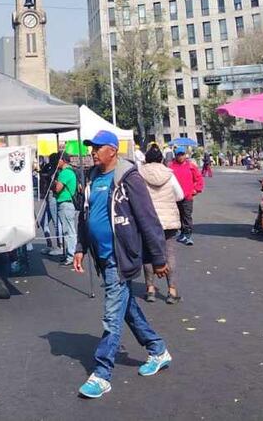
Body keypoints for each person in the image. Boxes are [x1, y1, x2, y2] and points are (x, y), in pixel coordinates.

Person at [73, 130, 171, 399]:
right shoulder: (92, 178)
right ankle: (157, 349)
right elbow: (85, 217)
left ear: (113, 150)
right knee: (126, 307)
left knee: (111, 315)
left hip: (121, 256)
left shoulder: (129, 178)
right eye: (91, 147)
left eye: (97, 147)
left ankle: (102, 373)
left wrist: (159, 258)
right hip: (101, 256)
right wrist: (80, 248)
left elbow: (148, 219)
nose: (92, 151)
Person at [140, 146, 183, 304]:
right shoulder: (169, 175)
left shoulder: (139, 174)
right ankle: (172, 291)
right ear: (161, 159)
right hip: (168, 221)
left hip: (148, 221)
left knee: (148, 254)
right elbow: (180, 195)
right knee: (169, 254)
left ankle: (150, 289)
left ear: (146, 159)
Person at [169, 146, 204, 246]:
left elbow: (199, 179)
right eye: (178, 155)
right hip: (175, 197)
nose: (180, 157)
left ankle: (188, 235)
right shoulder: (171, 167)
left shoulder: (191, 166)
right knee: (178, 215)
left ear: (185, 155)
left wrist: (196, 189)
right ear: (175, 156)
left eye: (182, 154)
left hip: (188, 196)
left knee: (187, 215)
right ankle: (182, 232)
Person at [53, 152, 79, 266]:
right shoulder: (71, 171)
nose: (56, 163)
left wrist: (54, 183)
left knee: (68, 230)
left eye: (57, 160)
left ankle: (71, 255)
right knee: (69, 230)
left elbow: (58, 188)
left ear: (62, 160)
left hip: (65, 203)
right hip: (69, 204)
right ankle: (70, 253)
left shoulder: (64, 173)